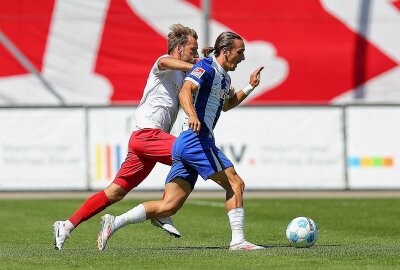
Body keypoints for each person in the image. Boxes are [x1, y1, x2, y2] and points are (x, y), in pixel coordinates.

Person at [97, 31, 265, 251]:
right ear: (225, 51)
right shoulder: (205, 67)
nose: (242, 58)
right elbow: (185, 90)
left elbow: (226, 104)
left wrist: (250, 86)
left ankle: (114, 222)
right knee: (236, 183)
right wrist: (193, 114)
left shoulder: (223, 76)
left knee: (168, 206)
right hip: (196, 140)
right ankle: (238, 241)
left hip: (187, 144)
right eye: (239, 52)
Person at [52, 24, 199, 251]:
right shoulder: (164, 62)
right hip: (148, 135)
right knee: (191, 155)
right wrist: (197, 64)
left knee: (115, 192)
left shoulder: (181, 75)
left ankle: (67, 225)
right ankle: (161, 212)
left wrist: (205, 62)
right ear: (178, 49)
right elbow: (164, 62)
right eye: (192, 50)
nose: (195, 55)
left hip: (145, 141)